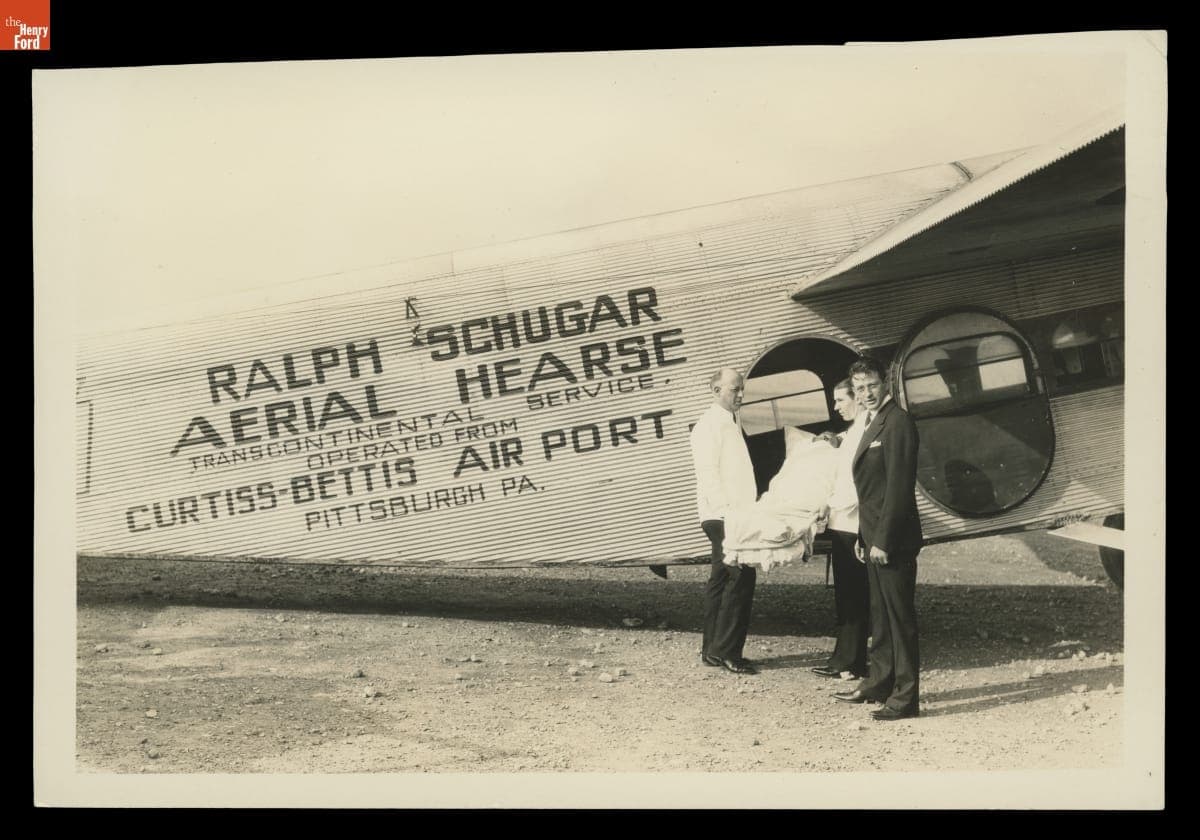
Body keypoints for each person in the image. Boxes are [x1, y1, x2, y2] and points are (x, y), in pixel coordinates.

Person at [833, 357, 923, 721]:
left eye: (871, 385)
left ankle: (906, 698)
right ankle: (879, 682)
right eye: (858, 389)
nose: (866, 394)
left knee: (899, 620)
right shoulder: (869, 422)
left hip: (893, 539)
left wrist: (883, 539)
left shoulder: (897, 422)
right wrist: (862, 533)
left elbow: (899, 488)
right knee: (881, 616)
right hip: (871, 534)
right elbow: (870, 490)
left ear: (884, 381)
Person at [689, 368, 759, 675]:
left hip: (728, 513)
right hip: (722, 515)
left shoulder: (729, 422)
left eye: (742, 389)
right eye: (734, 390)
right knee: (741, 577)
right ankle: (730, 653)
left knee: (721, 578)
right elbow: (708, 475)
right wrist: (729, 516)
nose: (740, 395)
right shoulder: (709, 426)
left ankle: (713, 651)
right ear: (716, 390)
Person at [811, 379, 871, 680]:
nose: (836, 407)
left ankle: (849, 662)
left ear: (857, 399)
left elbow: (851, 486)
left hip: (849, 523)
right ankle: (847, 658)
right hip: (843, 523)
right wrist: (834, 438)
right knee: (849, 595)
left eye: (840, 400)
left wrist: (828, 505)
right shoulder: (856, 429)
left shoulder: (862, 430)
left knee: (852, 596)